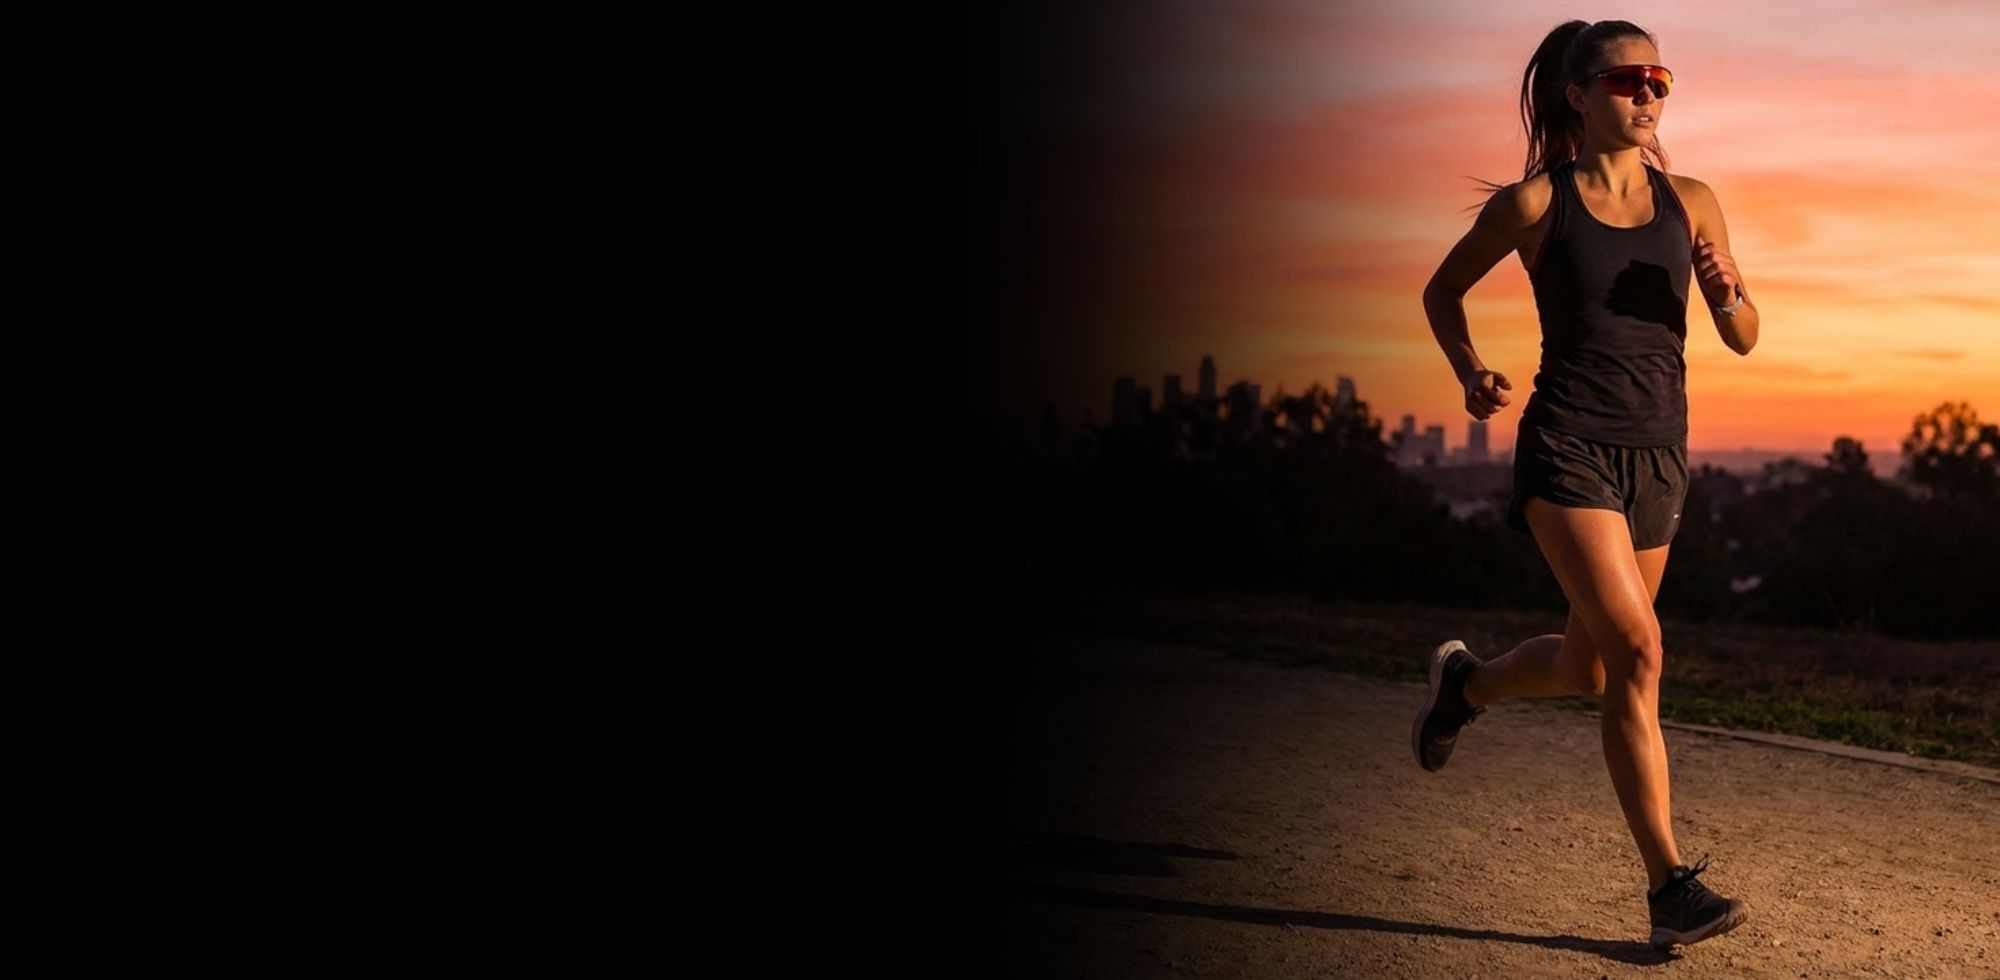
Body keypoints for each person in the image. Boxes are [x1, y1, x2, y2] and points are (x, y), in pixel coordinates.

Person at [1410, 20, 1760, 950]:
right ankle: (1669, 889)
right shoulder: (1537, 204)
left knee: (1592, 666)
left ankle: (1464, 688)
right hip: (1568, 448)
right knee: (1641, 653)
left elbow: (1746, 335)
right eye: (1629, 79)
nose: (1651, 95)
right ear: (1578, 93)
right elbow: (1441, 292)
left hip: (1658, 455)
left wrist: (1726, 291)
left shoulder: (1691, 201)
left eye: (1662, 80)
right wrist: (1470, 370)